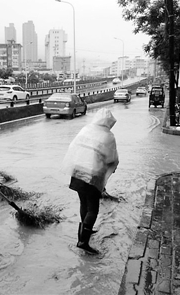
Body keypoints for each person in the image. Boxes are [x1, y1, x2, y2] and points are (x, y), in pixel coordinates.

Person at [61, 108, 119, 254]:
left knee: (83, 203)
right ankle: (83, 241)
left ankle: (85, 231)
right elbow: (111, 159)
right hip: (93, 175)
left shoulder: (86, 129)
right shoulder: (108, 136)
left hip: (78, 171)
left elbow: (74, 148)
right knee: (93, 208)